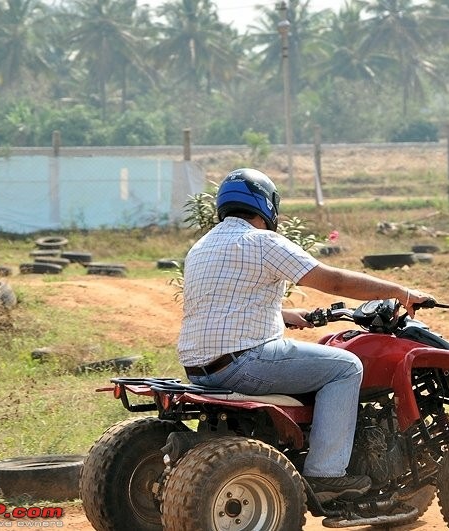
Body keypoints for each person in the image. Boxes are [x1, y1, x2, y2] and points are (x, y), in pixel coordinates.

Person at [177, 168, 434, 503]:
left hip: (199, 369)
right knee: (346, 367)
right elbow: (334, 281)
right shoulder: (264, 242)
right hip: (243, 363)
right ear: (267, 206)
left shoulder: (202, 246)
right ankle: (327, 475)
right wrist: (400, 291)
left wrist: (282, 314)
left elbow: (220, 301)